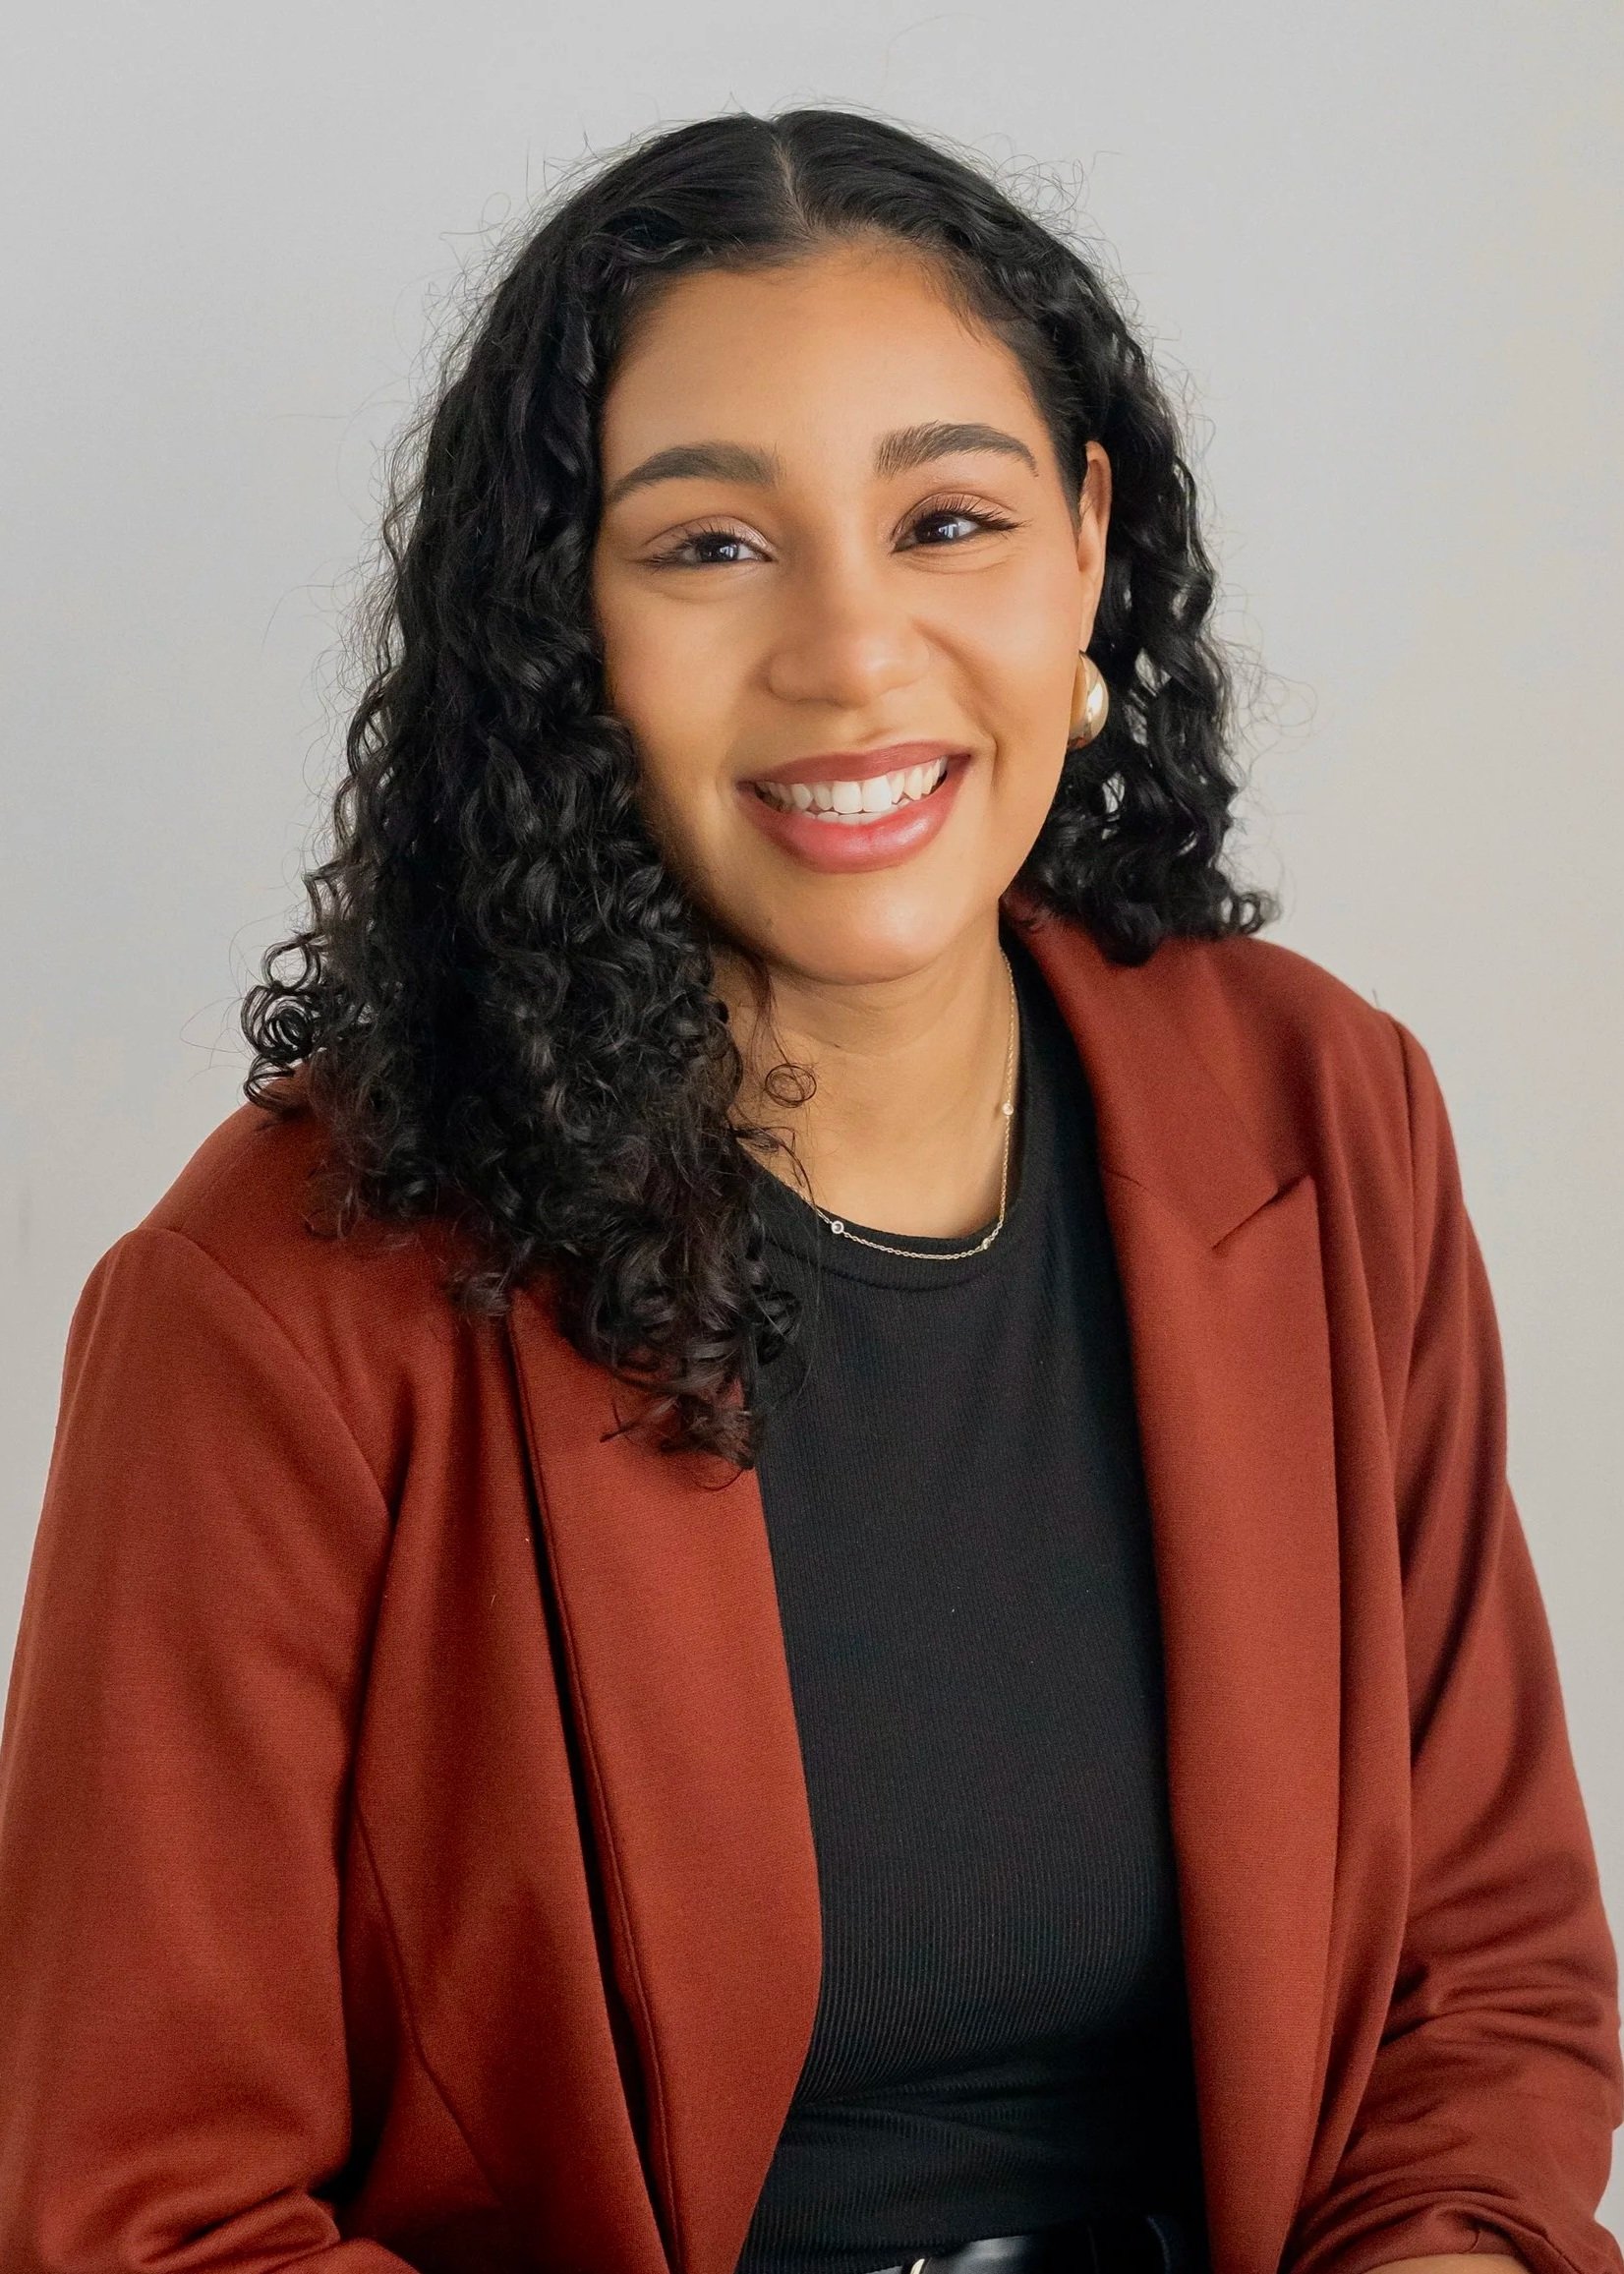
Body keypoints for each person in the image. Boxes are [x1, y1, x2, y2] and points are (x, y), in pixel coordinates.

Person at [0, 105, 1617, 2274]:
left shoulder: (1317, 1111)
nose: (852, 653)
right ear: (564, 630)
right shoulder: (280, 1295)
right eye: (710, 547)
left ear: (1082, 552)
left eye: (944, 518)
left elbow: (1481, 1972)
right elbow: (141, 2200)